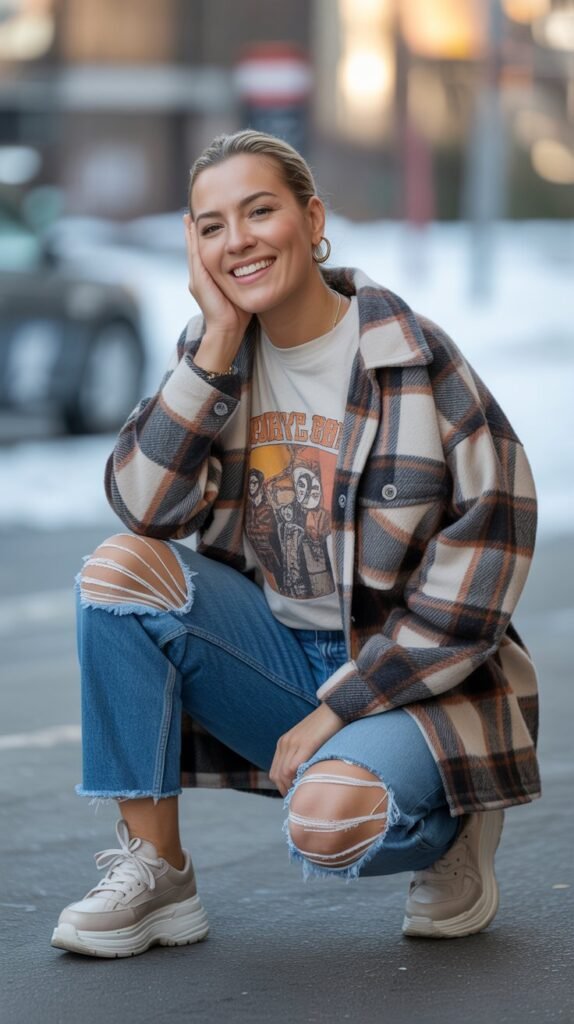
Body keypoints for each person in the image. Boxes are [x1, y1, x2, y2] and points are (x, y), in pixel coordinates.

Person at [51, 130, 540, 959]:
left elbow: (479, 584)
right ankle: (158, 869)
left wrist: (338, 712)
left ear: (312, 219)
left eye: (259, 210)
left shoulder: (415, 362)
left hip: (409, 683)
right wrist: (212, 346)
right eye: (211, 226)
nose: (237, 239)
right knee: (118, 571)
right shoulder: (211, 357)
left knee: (327, 825)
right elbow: (145, 508)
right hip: (274, 657)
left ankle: (450, 823)